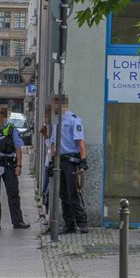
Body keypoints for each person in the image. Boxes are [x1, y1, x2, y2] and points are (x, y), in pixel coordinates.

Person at [50, 97, 89, 234]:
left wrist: (83, 161)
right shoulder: (56, 121)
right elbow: (54, 143)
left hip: (71, 162)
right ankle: (69, 224)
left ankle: (82, 222)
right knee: (63, 194)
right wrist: (51, 160)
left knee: (73, 193)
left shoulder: (74, 120)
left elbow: (81, 143)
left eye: (54, 104)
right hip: (59, 161)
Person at [0, 121, 30, 230]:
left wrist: (19, 165)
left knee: (13, 192)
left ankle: (18, 221)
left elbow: (18, 148)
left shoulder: (11, 129)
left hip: (8, 164)